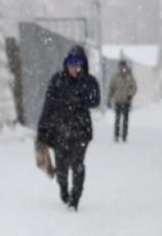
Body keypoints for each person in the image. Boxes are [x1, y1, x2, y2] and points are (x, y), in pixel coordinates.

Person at [36, 45, 101, 210]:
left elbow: (95, 101)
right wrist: (42, 132)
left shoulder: (89, 81)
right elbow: (48, 107)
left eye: (79, 63)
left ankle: (76, 196)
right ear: (66, 63)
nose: (75, 67)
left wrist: (82, 85)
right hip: (60, 131)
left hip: (81, 131)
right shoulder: (57, 80)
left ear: (84, 65)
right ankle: (63, 187)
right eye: (72, 63)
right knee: (61, 166)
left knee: (78, 163)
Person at [107, 59, 138, 142]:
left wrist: (130, 95)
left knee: (125, 120)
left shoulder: (129, 77)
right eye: (121, 66)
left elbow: (134, 87)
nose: (122, 68)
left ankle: (124, 136)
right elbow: (111, 89)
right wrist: (109, 100)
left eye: (123, 66)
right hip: (118, 101)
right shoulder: (115, 77)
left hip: (126, 101)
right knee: (117, 119)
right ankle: (116, 135)